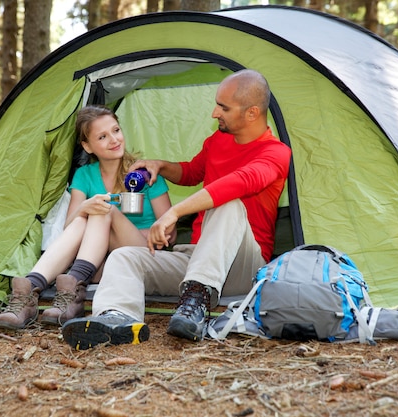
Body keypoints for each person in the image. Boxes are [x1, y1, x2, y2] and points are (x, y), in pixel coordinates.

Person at [61, 69, 292, 350]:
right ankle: (116, 317)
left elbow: (239, 183)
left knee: (228, 203)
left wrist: (173, 213)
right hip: (198, 259)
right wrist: (159, 165)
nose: (214, 113)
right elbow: (192, 172)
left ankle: (195, 301)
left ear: (252, 113)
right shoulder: (218, 140)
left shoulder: (276, 153)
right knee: (125, 257)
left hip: (243, 266)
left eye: (223, 107)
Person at [0, 105, 175, 330]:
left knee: (103, 210)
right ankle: (30, 292)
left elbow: (170, 233)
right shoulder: (84, 175)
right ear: (87, 146)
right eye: (102, 136)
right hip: (99, 261)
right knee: (87, 214)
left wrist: (117, 224)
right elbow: (72, 226)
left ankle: (70, 290)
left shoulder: (144, 174)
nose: (114, 139)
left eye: (116, 130)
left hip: (144, 254)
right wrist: (85, 207)